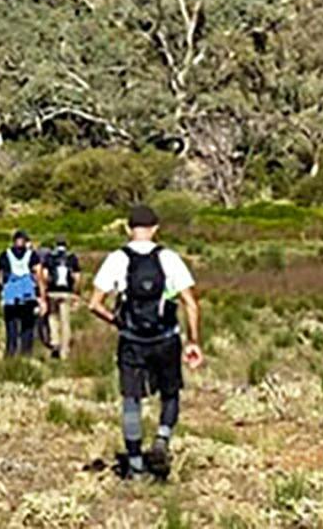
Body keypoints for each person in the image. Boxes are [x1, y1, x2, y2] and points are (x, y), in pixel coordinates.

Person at [88, 204, 203, 482]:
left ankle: (137, 466)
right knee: (170, 392)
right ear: (155, 229)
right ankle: (162, 438)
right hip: (166, 339)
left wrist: (118, 322)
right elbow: (190, 303)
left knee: (131, 399)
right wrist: (193, 341)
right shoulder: (169, 258)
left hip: (132, 341)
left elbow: (94, 304)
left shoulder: (117, 259)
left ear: (128, 229)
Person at [0, 229, 48, 358]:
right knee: (27, 328)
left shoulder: (4, 255)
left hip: (10, 298)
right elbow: (39, 276)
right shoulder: (32, 255)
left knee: (11, 329)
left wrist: (0, 293)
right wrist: (42, 297)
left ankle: (10, 355)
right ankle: (26, 355)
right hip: (28, 297)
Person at [44, 237, 82, 360]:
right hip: (66, 292)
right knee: (65, 321)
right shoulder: (71, 258)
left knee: (52, 317)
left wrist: (44, 290)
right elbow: (77, 277)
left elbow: (44, 275)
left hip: (52, 292)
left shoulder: (50, 257)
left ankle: (55, 341)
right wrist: (77, 292)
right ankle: (64, 350)